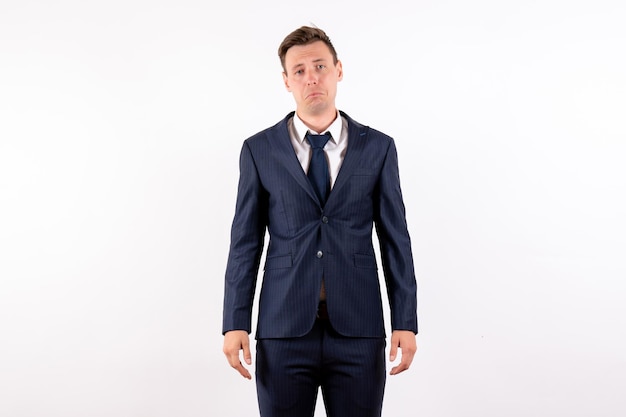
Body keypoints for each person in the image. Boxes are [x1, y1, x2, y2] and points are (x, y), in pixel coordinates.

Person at [222, 26, 418, 417]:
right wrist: (234, 321)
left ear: (338, 70)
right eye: (299, 70)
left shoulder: (378, 148)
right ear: (286, 80)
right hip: (283, 330)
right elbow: (245, 242)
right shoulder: (259, 150)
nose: (311, 77)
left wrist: (406, 320)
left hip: (359, 330)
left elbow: (395, 239)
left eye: (320, 66)